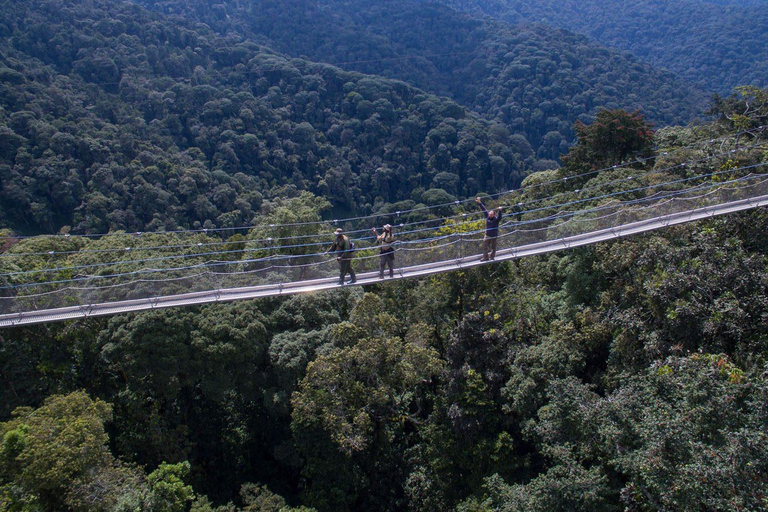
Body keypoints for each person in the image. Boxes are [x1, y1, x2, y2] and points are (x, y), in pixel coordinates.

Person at [476, 197, 503, 261]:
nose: (490, 215)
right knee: (484, 246)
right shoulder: (487, 217)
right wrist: (479, 202)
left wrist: (500, 211)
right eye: (489, 214)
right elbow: (484, 209)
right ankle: (486, 257)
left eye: (491, 214)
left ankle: (492, 257)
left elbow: (500, 217)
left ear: (493, 215)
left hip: (494, 236)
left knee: (493, 248)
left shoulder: (496, 220)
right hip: (487, 235)